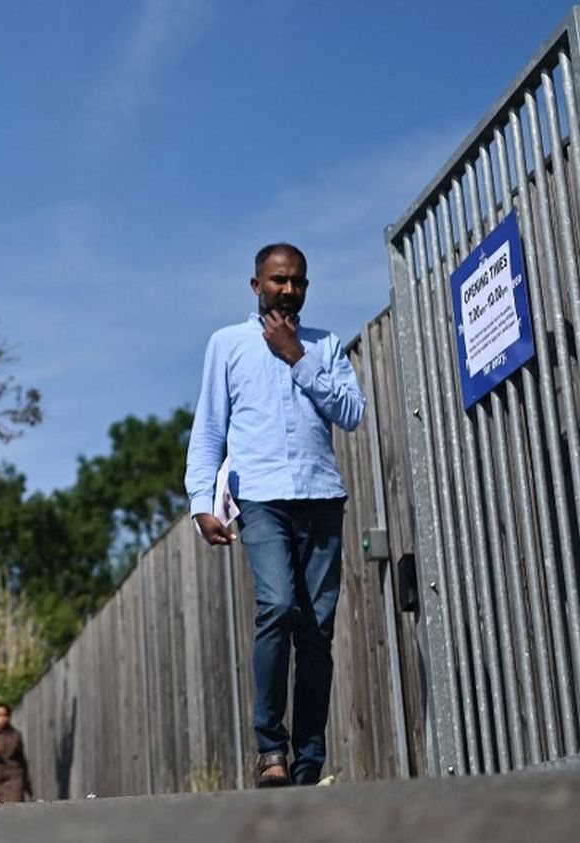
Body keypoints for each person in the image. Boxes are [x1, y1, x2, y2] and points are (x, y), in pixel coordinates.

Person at [184, 243, 365, 788]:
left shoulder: (325, 345)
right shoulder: (228, 344)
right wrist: (200, 503)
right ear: (256, 284)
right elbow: (210, 430)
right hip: (260, 499)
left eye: (298, 282)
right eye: (279, 280)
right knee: (278, 605)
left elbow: (352, 413)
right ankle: (270, 747)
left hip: (321, 497)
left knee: (316, 634)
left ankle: (307, 764)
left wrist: (297, 357)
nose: (289, 289)